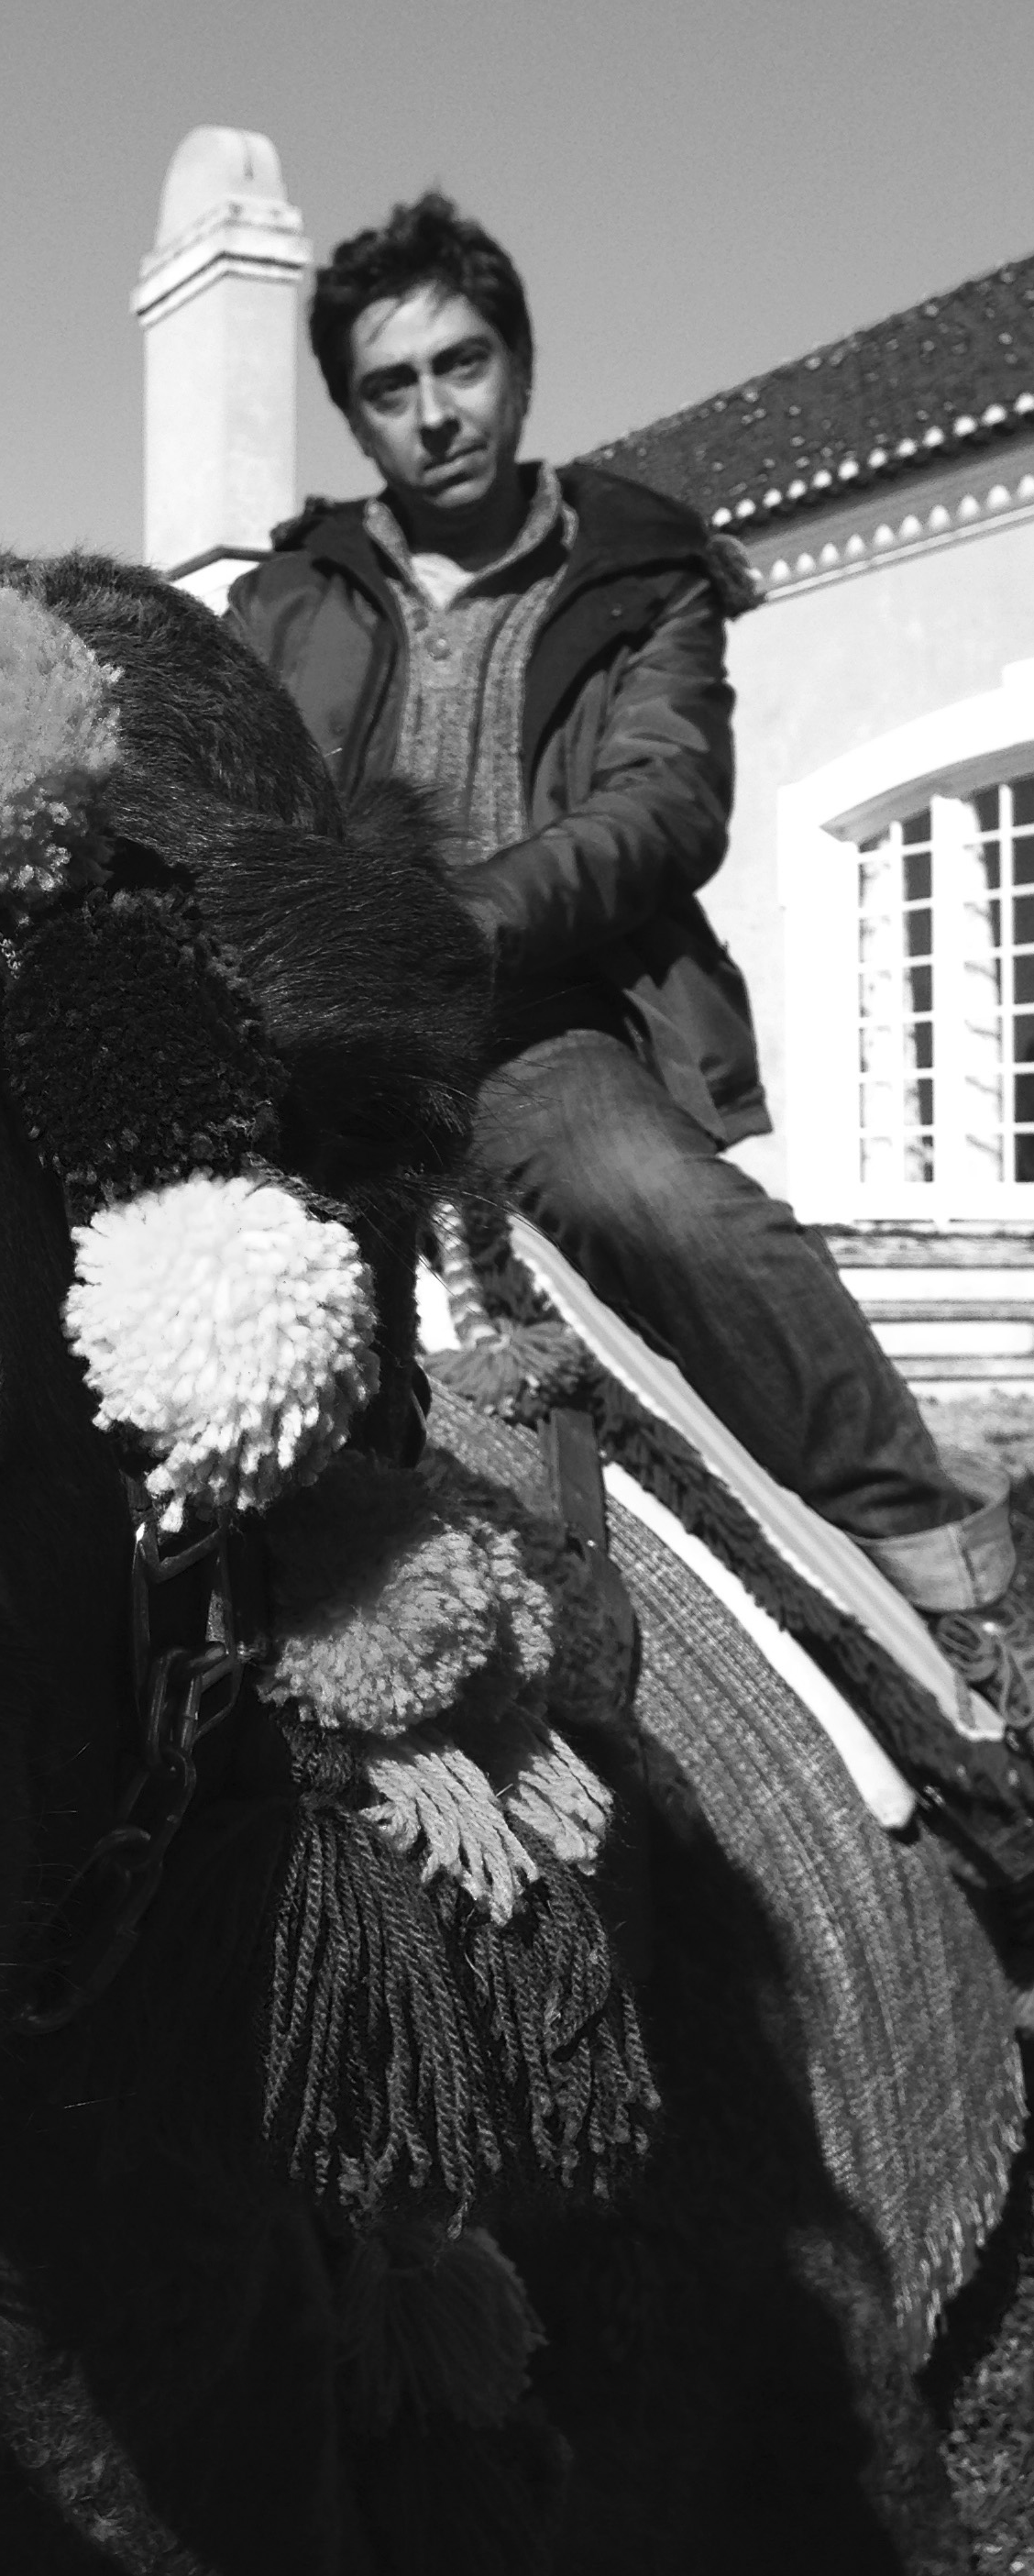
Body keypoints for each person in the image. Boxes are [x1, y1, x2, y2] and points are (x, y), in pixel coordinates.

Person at [226, 191, 1028, 1700]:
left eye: (460, 364)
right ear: (352, 415)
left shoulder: (640, 566)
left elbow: (664, 807)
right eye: (389, 387)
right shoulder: (280, 602)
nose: (433, 412)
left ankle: (952, 1583)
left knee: (667, 1206)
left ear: (518, 365)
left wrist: (455, 920)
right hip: (323, 1029)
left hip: (539, 1021)